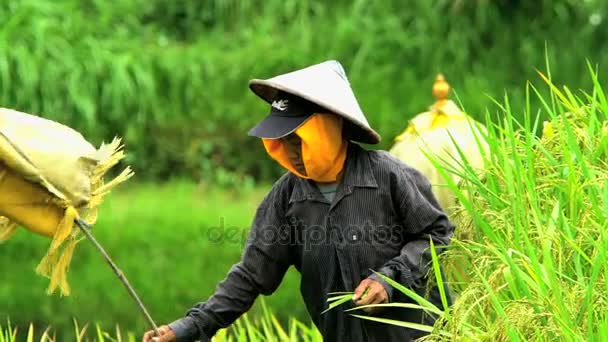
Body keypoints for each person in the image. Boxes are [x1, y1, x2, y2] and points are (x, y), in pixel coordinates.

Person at [143, 60, 454, 342]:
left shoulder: (389, 176)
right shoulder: (286, 199)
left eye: (297, 138)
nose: (290, 149)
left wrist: (389, 279)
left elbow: (438, 237)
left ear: (328, 129)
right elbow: (251, 275)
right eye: (282, 140)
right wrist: (189, 327)